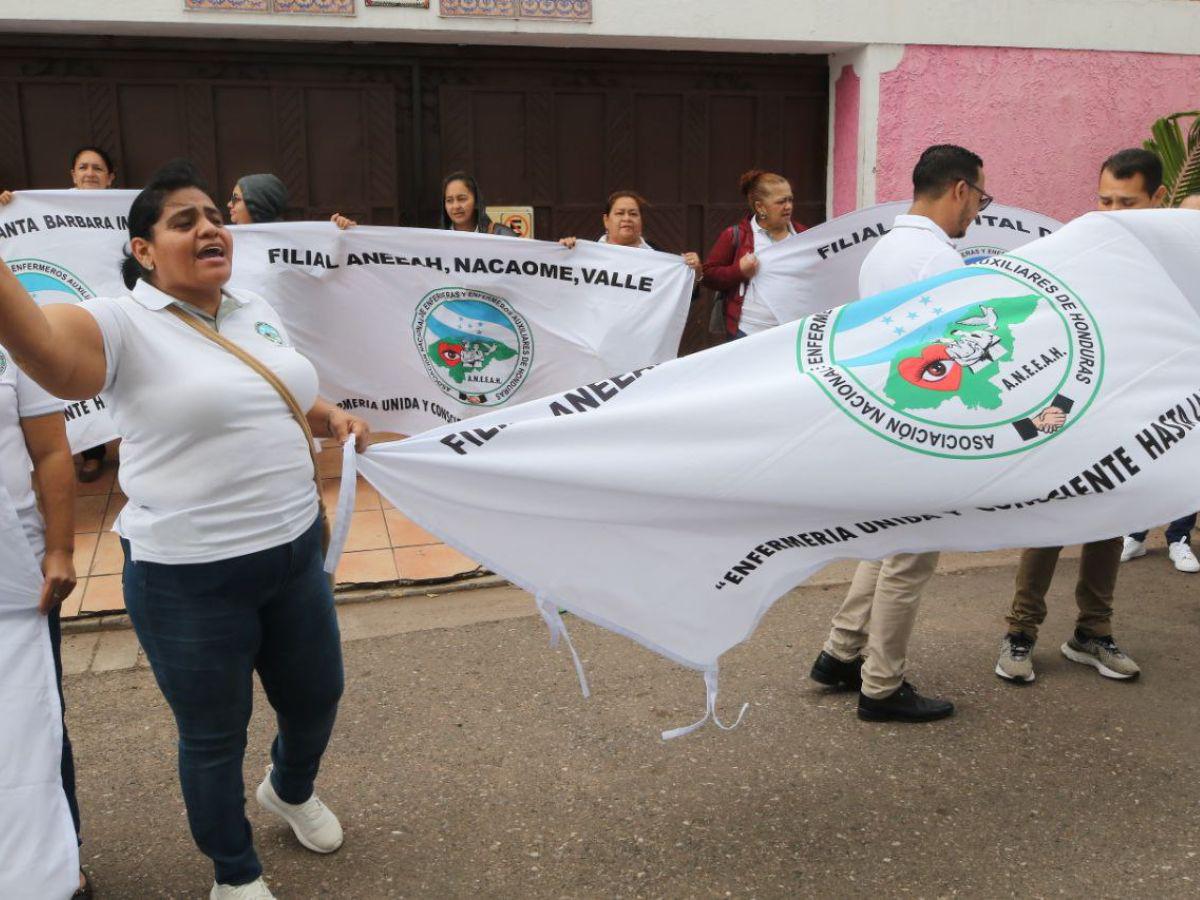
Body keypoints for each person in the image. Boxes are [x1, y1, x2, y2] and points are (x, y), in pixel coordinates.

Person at [0, 159, 370, 900]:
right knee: (213, 737)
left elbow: (270, 385)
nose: (209, 228)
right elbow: (49, 354)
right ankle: (234, 873)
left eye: (214, 217)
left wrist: (328, 414)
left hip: (295, 552)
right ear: (143, 250)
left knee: (316, 698)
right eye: (184, 221)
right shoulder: (118, 322)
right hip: (187, 578)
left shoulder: (251, 306)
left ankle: (289, 790)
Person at [809, 144, 991, 723]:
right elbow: (956, 355)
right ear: (959, 190)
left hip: (889, 415)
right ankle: (882, 686)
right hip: (927, 422)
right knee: (910, 558)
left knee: (888, 542)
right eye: (980, 198)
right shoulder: (939, 261)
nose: (978, 212)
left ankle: (841, 652)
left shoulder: (884, 251)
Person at [994, 148, 1161, 685]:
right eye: (1104, 199)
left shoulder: (1169, 259)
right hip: (1068, 403)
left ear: (1158, 198)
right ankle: (1020, 633)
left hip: (1128, 405)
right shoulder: (1079, 248)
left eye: (1127, 202)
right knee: (1053, 515)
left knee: (1109, 518)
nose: (1111, 211)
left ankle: (1092, 632)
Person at [1, 342, 85, 894]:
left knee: (33, 716)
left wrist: (59, 549)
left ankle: (58, 863)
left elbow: (52, 450)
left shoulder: (11, 335)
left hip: (13, 573)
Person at [3, 146, 120, 482]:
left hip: (112, 309)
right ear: (72, 174)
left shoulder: (122, 212)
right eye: (83, 167)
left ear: (111, 177)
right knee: (79, 370)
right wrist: (7, 208)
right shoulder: (43, 211)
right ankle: (93, 452)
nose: (90, 173)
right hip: (73, 311)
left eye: (97, 168)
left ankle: (130, 445)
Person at [1121, 191, 1200, 574]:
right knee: (1147, 452)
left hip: (1194, 379)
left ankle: (1179, 538)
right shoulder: (1154, 263)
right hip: (1155, 376)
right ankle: (1135, 535)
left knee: (1191, 460)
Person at [701, 170, 807, 338]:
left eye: (790, 199)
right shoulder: (735, 235)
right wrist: (739, 271)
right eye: (781, 201)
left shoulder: (804, 234)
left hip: (795, 332)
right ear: (760, 207)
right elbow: (707, 276)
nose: (788, 206)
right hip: (749, 333)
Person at [558, 190, 703, 278]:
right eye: (620, 213)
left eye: (633, 214)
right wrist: (561, 255)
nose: (627, 218)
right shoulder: (585, 253)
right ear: (606, 220)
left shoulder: (656, 255)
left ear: (641, 220)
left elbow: (678, 296)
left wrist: (694, 274)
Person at [228, 173, 355, 229]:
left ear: (259, 203)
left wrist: (338, 236)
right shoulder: (227, 245)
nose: (229, 204)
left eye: (236, 199)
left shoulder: (298, 241)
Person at [441, 171, 517, 236]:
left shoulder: (502, 235)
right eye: (449, 200)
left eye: (462, 199)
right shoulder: (438, 238)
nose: (456, 206)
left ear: (476, 201)